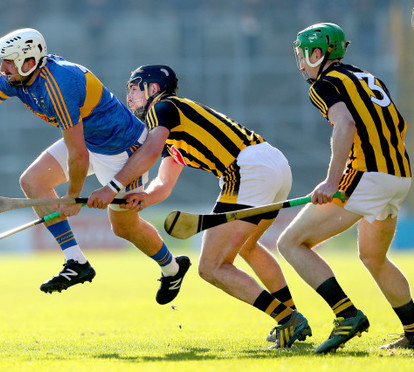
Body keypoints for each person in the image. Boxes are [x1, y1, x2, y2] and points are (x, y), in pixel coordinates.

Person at [0, 28, 191, 305]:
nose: (2, 69)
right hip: (88, 142)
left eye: (8, 62)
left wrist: (72, 196)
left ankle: (172, 268)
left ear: (29, 62)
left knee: (124, 228)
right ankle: (76, 262)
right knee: (33, 182)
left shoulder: (59, 85)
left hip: (125, 150)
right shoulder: (16, 81)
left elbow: (78, 156)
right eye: (1, 61)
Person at [88, 64, 311, 348]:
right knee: (248, 247)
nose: (129, 97)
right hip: (274, 163)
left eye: (134, 88)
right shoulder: (172, 124)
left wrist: (112, 187)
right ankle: (292, 317)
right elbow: (164, 183)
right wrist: (145, 197)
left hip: (245, 169)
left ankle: (287, 319)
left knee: (211, 267)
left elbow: (151, 151)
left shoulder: (162, 109)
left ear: (153, 89)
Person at [278, 22, 414, 353]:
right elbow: (395, 123)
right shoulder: (368, 78)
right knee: (373, 256)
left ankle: (346, 315)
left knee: (291, 243)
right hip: (399, 176)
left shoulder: (324, 84)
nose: (300, 63)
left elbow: (346, 124)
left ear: (318, 53)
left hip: (368, 175)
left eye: (302, 55)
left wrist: (333, 180)